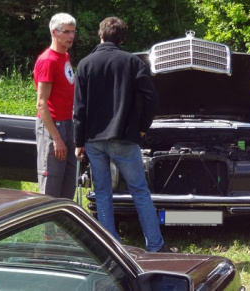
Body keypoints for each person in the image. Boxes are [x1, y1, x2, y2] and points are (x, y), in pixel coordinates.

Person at [73, 16, 175, 253]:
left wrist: (79, 142)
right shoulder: (132, 62)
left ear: (101, 35)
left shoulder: (85, 64)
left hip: (94, 140)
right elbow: (152, 98)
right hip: (124, 137)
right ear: (122, 38)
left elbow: (79, 109)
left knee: (102, 193)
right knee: (139, 191)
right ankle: (156, 245)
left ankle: (111, 248)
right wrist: (141, 127)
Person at [33, 13, 77, 201]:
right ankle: (48, 231)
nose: (71, 36)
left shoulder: (64, 56)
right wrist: (57, 138)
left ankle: (63, 230)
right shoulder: (47, 60)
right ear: (54, 32)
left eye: (73, 32)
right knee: (51, 187)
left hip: (68, 123)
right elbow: (42, 104)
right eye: (66, 32)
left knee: (68, 183)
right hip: (53, 126)